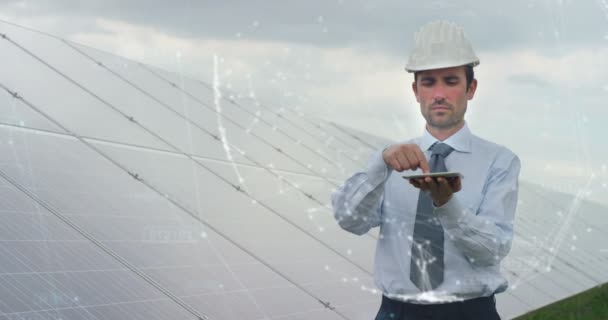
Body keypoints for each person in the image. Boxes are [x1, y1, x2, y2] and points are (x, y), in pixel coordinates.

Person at [331, 20, 520, 320]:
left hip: (469, 313)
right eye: (429, 83)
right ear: (415, 91)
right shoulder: (390, 161)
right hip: (396, 311)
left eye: (451, 81)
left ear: (471, 88)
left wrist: (447, 204)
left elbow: (491, 251)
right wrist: (379, 165)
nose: (439, 94)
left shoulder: (499, 161)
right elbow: (349, 220)